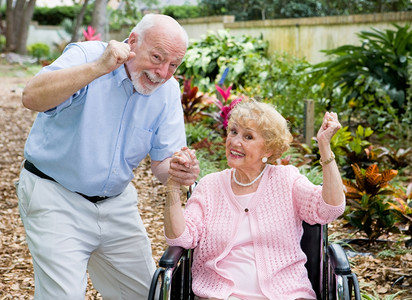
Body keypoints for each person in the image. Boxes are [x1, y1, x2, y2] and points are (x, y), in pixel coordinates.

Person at [16, 14, 199, 299]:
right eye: (157, 57)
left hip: (116, 203)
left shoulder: (168, 91)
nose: (162, 72)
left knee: (145, 295)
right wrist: (98, 68)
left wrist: (178, 170)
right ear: (133, 42)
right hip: (55, 195)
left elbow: (163, 165)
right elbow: (31, 98)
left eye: (173, 65)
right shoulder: (87, 55)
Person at [165, 100, 346, 300]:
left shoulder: (286, 181)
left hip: (286, 294)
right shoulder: (210, 186)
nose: (234, 142)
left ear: (268, 150)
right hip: (221, 295)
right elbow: (179, 238)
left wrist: (325, 147)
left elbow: (330, 209)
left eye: (248, 136)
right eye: (233, 132)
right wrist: (173, 184)